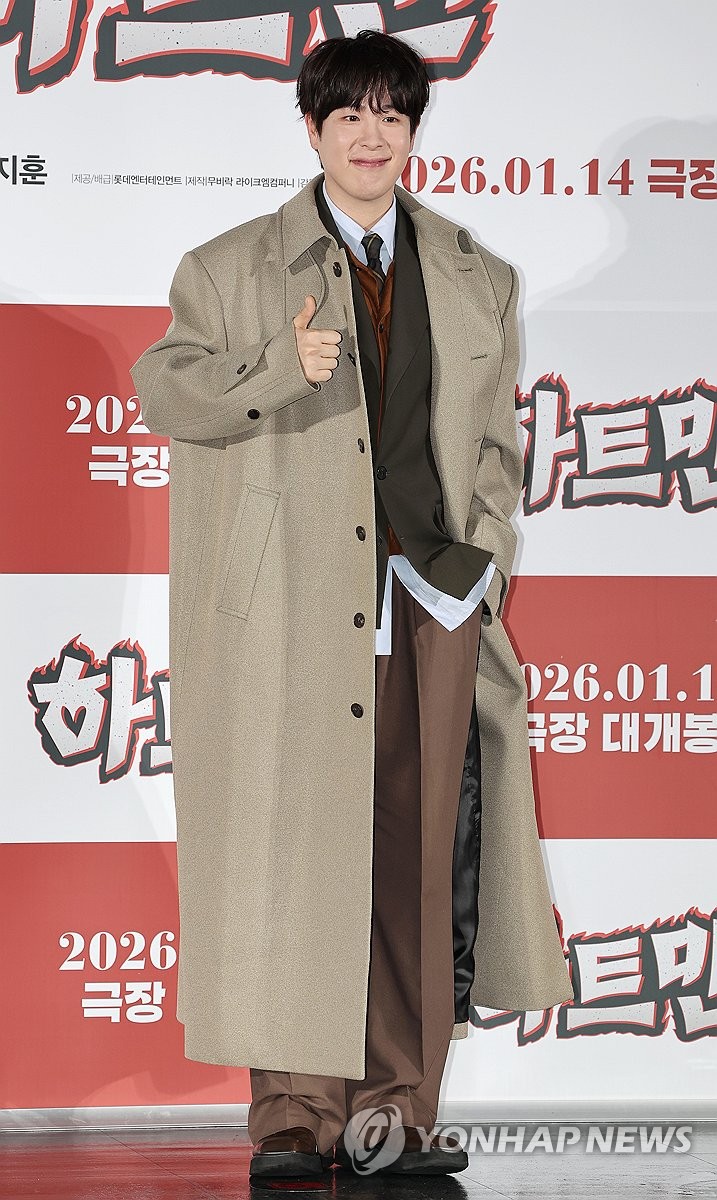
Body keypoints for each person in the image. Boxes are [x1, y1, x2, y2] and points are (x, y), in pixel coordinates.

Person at [130, 28, 574, 1182]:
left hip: (430, 601)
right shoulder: (230, 265)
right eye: (349, 115)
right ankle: (294, 1112)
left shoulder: (477, 275)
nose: (372, 135)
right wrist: (283, 368)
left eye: (393, 114)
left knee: (419, 868)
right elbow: (165, 391)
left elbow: (495, 448)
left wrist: (483, 566)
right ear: (313, 129)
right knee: (287, 852)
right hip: (289, 610)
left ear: (414, 131)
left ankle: (395, 1111)